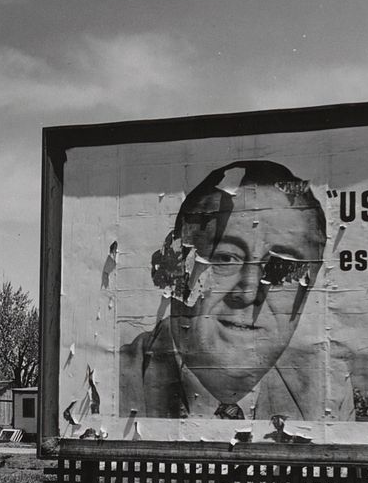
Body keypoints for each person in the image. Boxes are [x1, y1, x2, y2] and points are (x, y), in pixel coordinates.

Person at [119, 160, 354, 421]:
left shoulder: (327, 392)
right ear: (177, 265)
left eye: (283, 269)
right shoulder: (115, 381)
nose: (249, 292)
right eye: (225, 259)